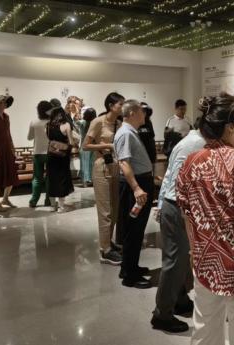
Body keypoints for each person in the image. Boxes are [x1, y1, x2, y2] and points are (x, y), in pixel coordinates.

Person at [176, 93, 234, 345]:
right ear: (229, 127)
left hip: (205, 260)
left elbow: (187, 213)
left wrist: (194, 250)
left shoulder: (190, 163)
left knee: (204, 326)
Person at [151, 117, 204, 333]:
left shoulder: (188, 141)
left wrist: (161, 204)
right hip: (178, 207)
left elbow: (169, 176)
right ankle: (162, 314)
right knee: (175, 261)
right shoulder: (197, 144)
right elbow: (177, 181)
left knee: (180, 258)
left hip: (173, 205)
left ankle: (180, 300)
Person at [114, 100, 154, 289]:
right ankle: (129, 275)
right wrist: (137, 188)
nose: (144, 115)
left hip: (139, 181)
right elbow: (124, 163)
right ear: (131, 113)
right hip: (134, 186)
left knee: (137, 230)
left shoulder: (130, 132)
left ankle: (130, 267)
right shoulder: (126, 134)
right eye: (141, 112)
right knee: (132, 230)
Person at [83, 92, 124, 265]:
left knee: (115, 209)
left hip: (115, 167)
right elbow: (86, 145)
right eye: (119, 104)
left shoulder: (119, 123)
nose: (122, 107)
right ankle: (105, 250)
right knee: (105, 211)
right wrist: (106, 145)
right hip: (101, 168)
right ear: (110, 106)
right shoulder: (98, 122)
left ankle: (108, 242)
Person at [46, 107, 74, 213]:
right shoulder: (66, 125)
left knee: (51, 179)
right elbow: (70, 142)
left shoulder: (47, 126)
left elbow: (49, 140)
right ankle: (61, 207)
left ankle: (53, 206)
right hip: (63, 156)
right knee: (62, 179)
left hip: (51, 155)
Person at [27, 100, 53, 208]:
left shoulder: (34, 122)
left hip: (38, 152)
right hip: (50, 153)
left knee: (37, 178)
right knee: (49, 177)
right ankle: (48, 200)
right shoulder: (52, 122)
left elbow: (29, 137)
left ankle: (34, 201)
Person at [76, 106, 96, 187]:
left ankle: (84, 183)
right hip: (93, 146)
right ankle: (92, 181)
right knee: (92, 164)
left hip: (84, 146)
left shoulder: (82, 122)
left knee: (84, 165)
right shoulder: (95, 122)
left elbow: (75, 121)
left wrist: (77, 110)